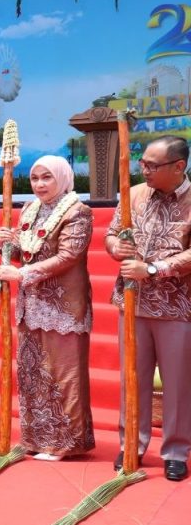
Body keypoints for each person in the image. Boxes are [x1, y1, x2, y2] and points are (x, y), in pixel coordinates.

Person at [0, 156, 95, 460]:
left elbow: (68, 256)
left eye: (47, 177)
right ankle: (37, 438)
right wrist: (6, 243)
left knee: (63, 374)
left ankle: (66, 442)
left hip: (63, 306)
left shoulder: (78, 212)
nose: (39, 184)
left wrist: (22, 274)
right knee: (33, 373)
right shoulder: (30, 209)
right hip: (31, 304)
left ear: (62, 178)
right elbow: (25, 252)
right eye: (35, 178)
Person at [105, 135, 191, 482]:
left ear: (179, 166)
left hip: (177, 307)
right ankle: (132, 444)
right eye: (143, 163)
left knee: (177, 383)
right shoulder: (134, 194)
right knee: (133, 378)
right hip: (132, 302)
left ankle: (176, 451)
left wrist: (154, 269)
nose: (145, 170)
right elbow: (112, 233)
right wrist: (116, 248)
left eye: (152, 165)